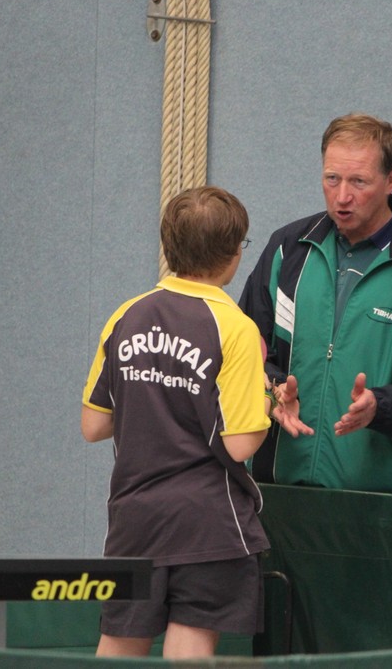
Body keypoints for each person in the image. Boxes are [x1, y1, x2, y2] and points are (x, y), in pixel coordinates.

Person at [81, 186, 303, 659]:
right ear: (232, 255)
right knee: (190, 648)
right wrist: (264, 402)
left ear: (169, 247)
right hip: (208, 526)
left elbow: (94, 426)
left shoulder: (126, 315)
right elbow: (242, 444)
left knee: (119, 645)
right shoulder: (234, 326)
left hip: (133, 523)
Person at [239, 113, 392, 494]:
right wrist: (273, 390)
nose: (342, 196)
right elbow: (245, 352)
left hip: (382, 505)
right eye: (332, 179)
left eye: (359, 181)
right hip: (277, 491)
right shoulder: (287, 248)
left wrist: (381, 406)